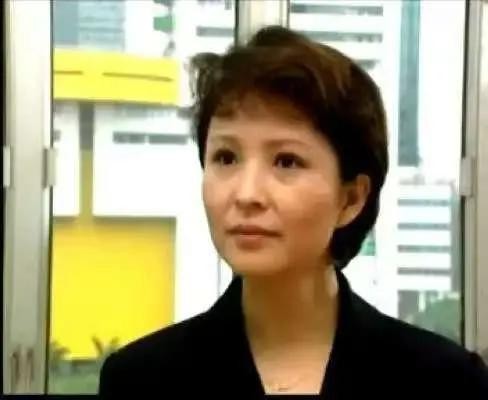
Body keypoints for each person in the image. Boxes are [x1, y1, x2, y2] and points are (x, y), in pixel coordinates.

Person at [98, 26, 488, 398]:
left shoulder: (444, 381)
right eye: (226, 157)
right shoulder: (139, 381)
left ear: (351, 199)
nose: (247, 194)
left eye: (286, 161)